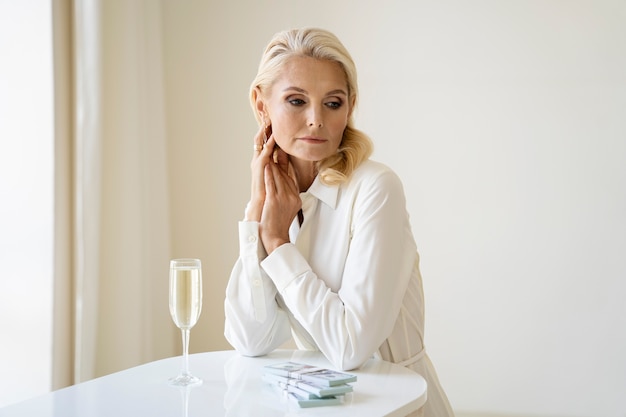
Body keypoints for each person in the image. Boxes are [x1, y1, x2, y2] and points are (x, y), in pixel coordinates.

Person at [224, 27, 454, 417]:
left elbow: (349, 347)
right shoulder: (277, 202)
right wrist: (257, 215)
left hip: (397, 406)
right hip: (323, 408)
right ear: (261, 105)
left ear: (350, 107)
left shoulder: (376, 188)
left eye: (332, 103)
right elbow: (250, 339)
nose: (316, 120)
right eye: (296, 101)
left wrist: (279, 245)